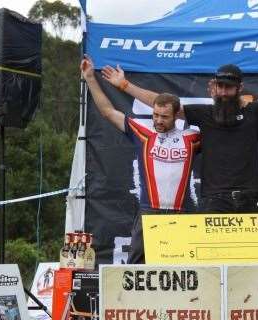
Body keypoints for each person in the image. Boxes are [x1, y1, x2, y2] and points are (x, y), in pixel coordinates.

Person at [101, 59, 258, 213]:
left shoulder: (254, 111)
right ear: (215, 86)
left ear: (239, 88)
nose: (223, 91)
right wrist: (124, 86)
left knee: (245, 260)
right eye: (220, 86)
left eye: (228, 87)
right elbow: (162, 103)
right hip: (214, 198)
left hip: (248, 196)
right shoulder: (203, 114)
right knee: (214, 261)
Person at [80, 55, 201, 263]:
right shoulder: (143, 132)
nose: (158, 121)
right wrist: (90, 78)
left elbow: (220, 132)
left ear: (176, 116)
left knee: (180, 269)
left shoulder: (191, 137)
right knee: (136, 269)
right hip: (149, 213)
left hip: (180, 214)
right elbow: (108, 112)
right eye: (155, 115)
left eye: (164, 117)